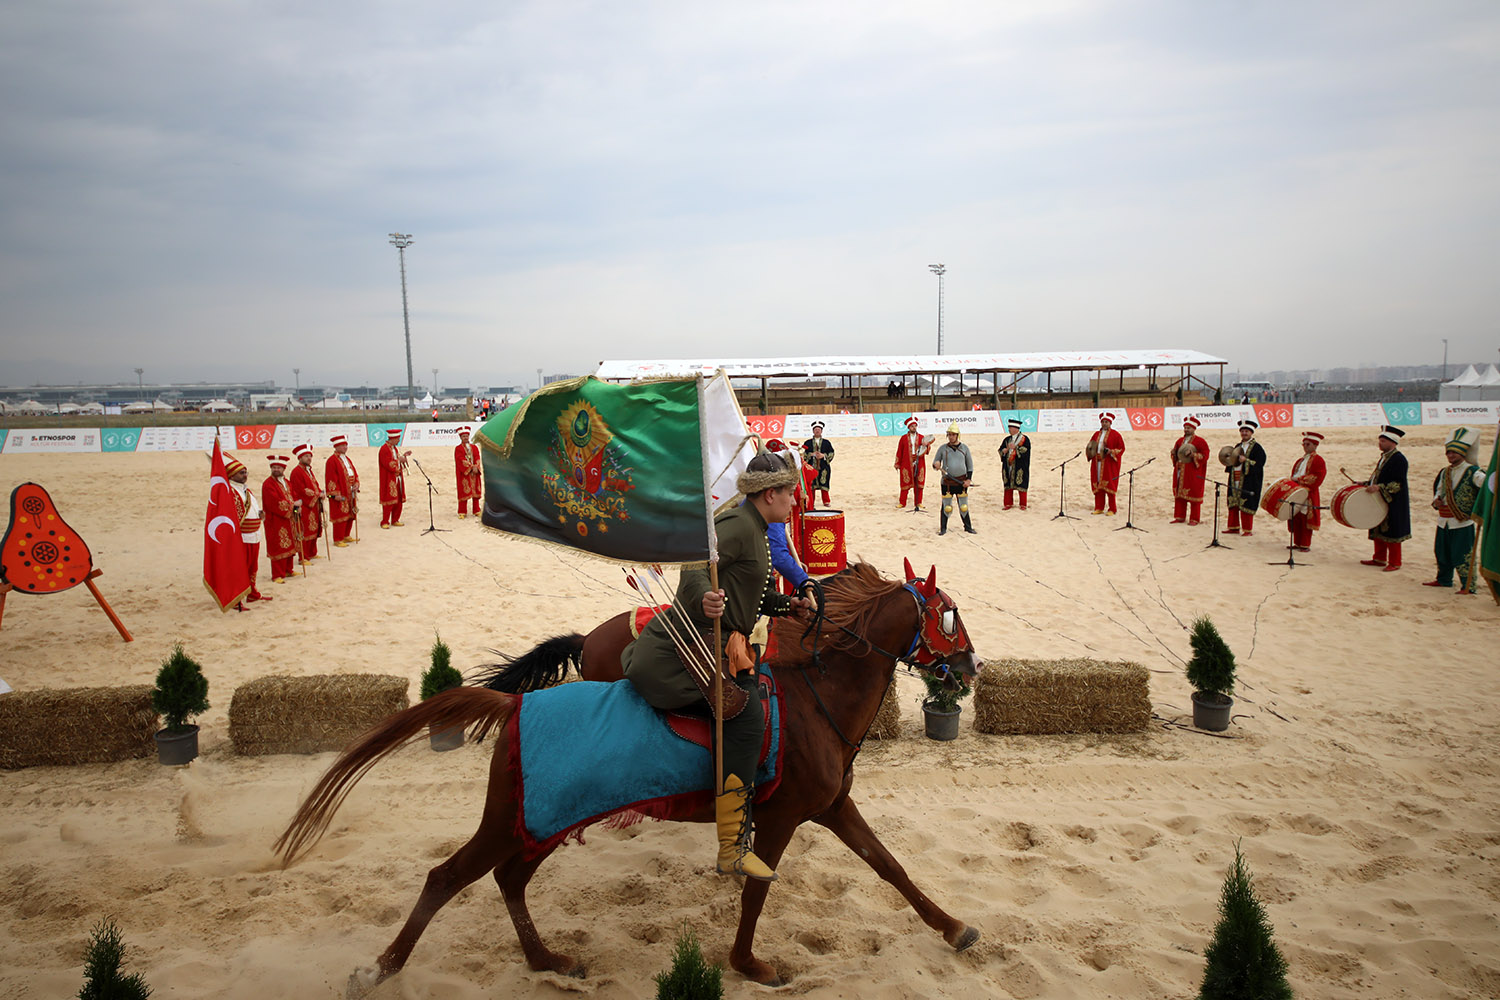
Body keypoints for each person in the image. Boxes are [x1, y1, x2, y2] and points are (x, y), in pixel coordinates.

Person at [620, 450, 813, 881]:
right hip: (685, 647)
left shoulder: (758, 528)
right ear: (769, 494)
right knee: (744, 715)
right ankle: (731, 846)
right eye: (789, 494)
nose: (795, 502)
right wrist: (704, 594)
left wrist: (789, 605)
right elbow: (694, 564)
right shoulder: (738, 525)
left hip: (722, 639)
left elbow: (753, 595)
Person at [1425, 428, 1486, 591]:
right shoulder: (1445, 472)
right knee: (1442, 551)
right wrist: (1436, 501)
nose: (1451, 455)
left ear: (1463, 453)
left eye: (1454, 453)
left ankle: (1468, 585)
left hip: (1462, 522)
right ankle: (1444, 579)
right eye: (1448, 453)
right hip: (1443, 520)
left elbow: (1486, 486)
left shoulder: (1473, 472)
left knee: (1463, 554)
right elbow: (1438, 490)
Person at [1357, 425, 1410, 571]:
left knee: (1392, 531)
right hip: (1381, 498)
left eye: (1383, 441)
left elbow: (1398, 483)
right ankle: (1379, 558)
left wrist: (1379, 487)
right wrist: (1366, 483)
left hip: (1394, 500)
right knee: (1378, 526)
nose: (1380, 444)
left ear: (1393, 442)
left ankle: (1394, 562)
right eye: (1380, 441)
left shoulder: (1399, 459)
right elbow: (1379, 477)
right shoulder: (1384, 457)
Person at [225, 457, 267, 606]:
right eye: (241, 473)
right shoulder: (229, 491)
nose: (245, 475)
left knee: (252, 567)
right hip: (241, 536)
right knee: (239, 568)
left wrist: (260, 514)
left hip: (254, 534)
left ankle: (251, 593)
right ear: (232, 475)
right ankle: (236, 597)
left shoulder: (245, 490)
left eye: (245, 472)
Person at [931, 422, 975, 535]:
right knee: (946, 506)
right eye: (949, 434)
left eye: (953, 434)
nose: (951, 437)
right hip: (947, 482)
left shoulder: (964, 448)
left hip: (961, 482)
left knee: (963, 506)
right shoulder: (943, 448)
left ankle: (968, 527)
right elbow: (936, 462)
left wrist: (968, 480)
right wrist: (936, 464)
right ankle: (943, 528)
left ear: (957, 435)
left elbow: (969, 466)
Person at [261, 455, 299, 583]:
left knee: (290, 543)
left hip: (289, 518)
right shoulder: (268, 484)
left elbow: (293, 495)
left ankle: (288, 569)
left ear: (283, 469)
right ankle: (277, 574)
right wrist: (292, 506)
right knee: (278, 545)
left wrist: (297, 507)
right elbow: (274, 502)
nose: (276, 469)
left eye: (278, 467)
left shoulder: (287, 482)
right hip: (275, 519)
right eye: (274, 467)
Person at [1225, 419, 1267, 536]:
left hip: (1249, 479)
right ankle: (1233, 527)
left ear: (1251, 432)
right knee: (1233, 501)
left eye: (1246, 431)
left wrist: (1246, 461)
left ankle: (1247, 529)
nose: (1244, 433)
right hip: (1235, 477)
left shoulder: (1257, 448)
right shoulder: (1238, 446)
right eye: (1242, 431)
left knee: (1246, 502)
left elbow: (1260, 464)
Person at [1288, 432, 1327, 552]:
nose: (1305, 446)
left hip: (1308, 493)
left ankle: (1305, 544)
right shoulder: (1301, 460)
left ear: (1315, 445)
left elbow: (1318, 477)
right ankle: (1297, 542)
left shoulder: (1318, 460)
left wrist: (1299, 480)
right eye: (1304, 444)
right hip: (1297, 491)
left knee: (1305, 518)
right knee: (1297, 516)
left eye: (1308, 444)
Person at [1170, 417, 1210, 525]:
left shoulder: (1200, 441)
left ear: (1194, 429)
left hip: (1192, 471)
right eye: (1185, 427)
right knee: (1179, 493)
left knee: (1194, 493)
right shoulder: (1179, 441)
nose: (1186, 430)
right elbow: (1177, 455)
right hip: (1180, 470)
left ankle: (1194, 518)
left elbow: (1205, 455)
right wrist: (1173, 453)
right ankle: (1179, 516)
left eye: (1188, 428)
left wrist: (1194, 455)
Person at [289, 443, 325, 560]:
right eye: (306, 456)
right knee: (305, 530)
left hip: (313, 504)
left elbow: (314, 485)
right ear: (300, 458)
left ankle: (312, 552)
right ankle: (303, 556)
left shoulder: (308, 470)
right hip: (304, 505)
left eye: (310, 456)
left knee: (314, 529)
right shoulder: (297, 472)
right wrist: (316, 494)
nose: (309, 458)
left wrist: (320, 493)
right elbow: (301, 490)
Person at [324, 434, 360, 547]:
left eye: (346, 445)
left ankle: (346, 535)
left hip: (350, 489)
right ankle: (338, 538)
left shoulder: (347, 459)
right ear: (337, 446)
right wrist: (335, 494)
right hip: (341, 490)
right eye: (343, 445)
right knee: (340, 514)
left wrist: (357, 483)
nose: (345, 447)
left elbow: (354, 472)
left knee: (351, 511)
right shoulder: (332, 460)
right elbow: (331, 479)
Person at [1088, 412, 1125, 515]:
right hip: (1097, 463)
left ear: (1110, 423)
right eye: (1103, 422)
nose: (1104, 424)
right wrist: (1091, 452)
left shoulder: (1116, 435)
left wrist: (1111, 452)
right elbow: (1090, 446)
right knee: (1098, 484)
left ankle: (1112, 509)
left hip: (1109, 463)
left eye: (1106, 422)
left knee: (1109, 485)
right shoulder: (1096, 434)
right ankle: (1099, 507)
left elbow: (1121, 448)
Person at [894, 416, 932, 510]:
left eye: (915, 426)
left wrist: (927, 446)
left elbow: (927, 450)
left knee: (919, 483)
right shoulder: (903, 438)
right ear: (908, 427)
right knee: (905, 483)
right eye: (912, 426)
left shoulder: (922, 438)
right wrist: (897, 463)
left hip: (919, 462)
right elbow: (899, 451)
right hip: (906, 463)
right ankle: (902, 502)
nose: (914, 428)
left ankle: (918, 502)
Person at [379, 428, 410, 528]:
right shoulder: (384, 449)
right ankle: (385, 521)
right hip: (389, 477)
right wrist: (399, 460)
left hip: (397, 476)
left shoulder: (394, 449)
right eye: (397, 439)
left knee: (399, 498)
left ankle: (395, 519)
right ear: (393, 438)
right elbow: (388, 463)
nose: (398, 441)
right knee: (389, 498)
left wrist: (402, 457)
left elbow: (395, 460)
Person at [998, 418, 1031, 510]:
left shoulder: (1024, 439)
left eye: (1010, 427)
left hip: (1020, 465)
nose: (1009, 429)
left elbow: (1025, 451)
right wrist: (1004, 451)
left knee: (1021, 482)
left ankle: (1023, 504)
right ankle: (1008, 503)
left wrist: (1016, 449)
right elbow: (1001, 450)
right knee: (1008, 483)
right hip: (1008, 465)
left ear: (1016, 428)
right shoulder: (1007, 439)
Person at [801, 421, 835, 507]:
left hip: (823, 466)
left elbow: (831, 453)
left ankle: (826, 501)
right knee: (812, 485)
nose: (817, 431)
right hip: (811, 467)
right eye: (815, 429)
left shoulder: (826, 443)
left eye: (819, 429)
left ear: (822, 431)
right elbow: (803, 454)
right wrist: (811, 455)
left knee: (824, 483)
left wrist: (823, 456)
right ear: (813, 431)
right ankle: (811, 502)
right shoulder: (807, 443)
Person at [455, 425, 482, 518]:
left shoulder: (474, 447)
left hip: (475, 472)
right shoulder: (458, 448)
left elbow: (478, 457)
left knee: (476, 491)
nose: (465, 438)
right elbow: (460, 460)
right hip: (464, 473)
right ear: (460, 437)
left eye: (466, 436)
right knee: (464, 490)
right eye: (463, 436)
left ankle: (476, 510)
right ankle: (462, 512)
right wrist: (471, 467)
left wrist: (476, 466)